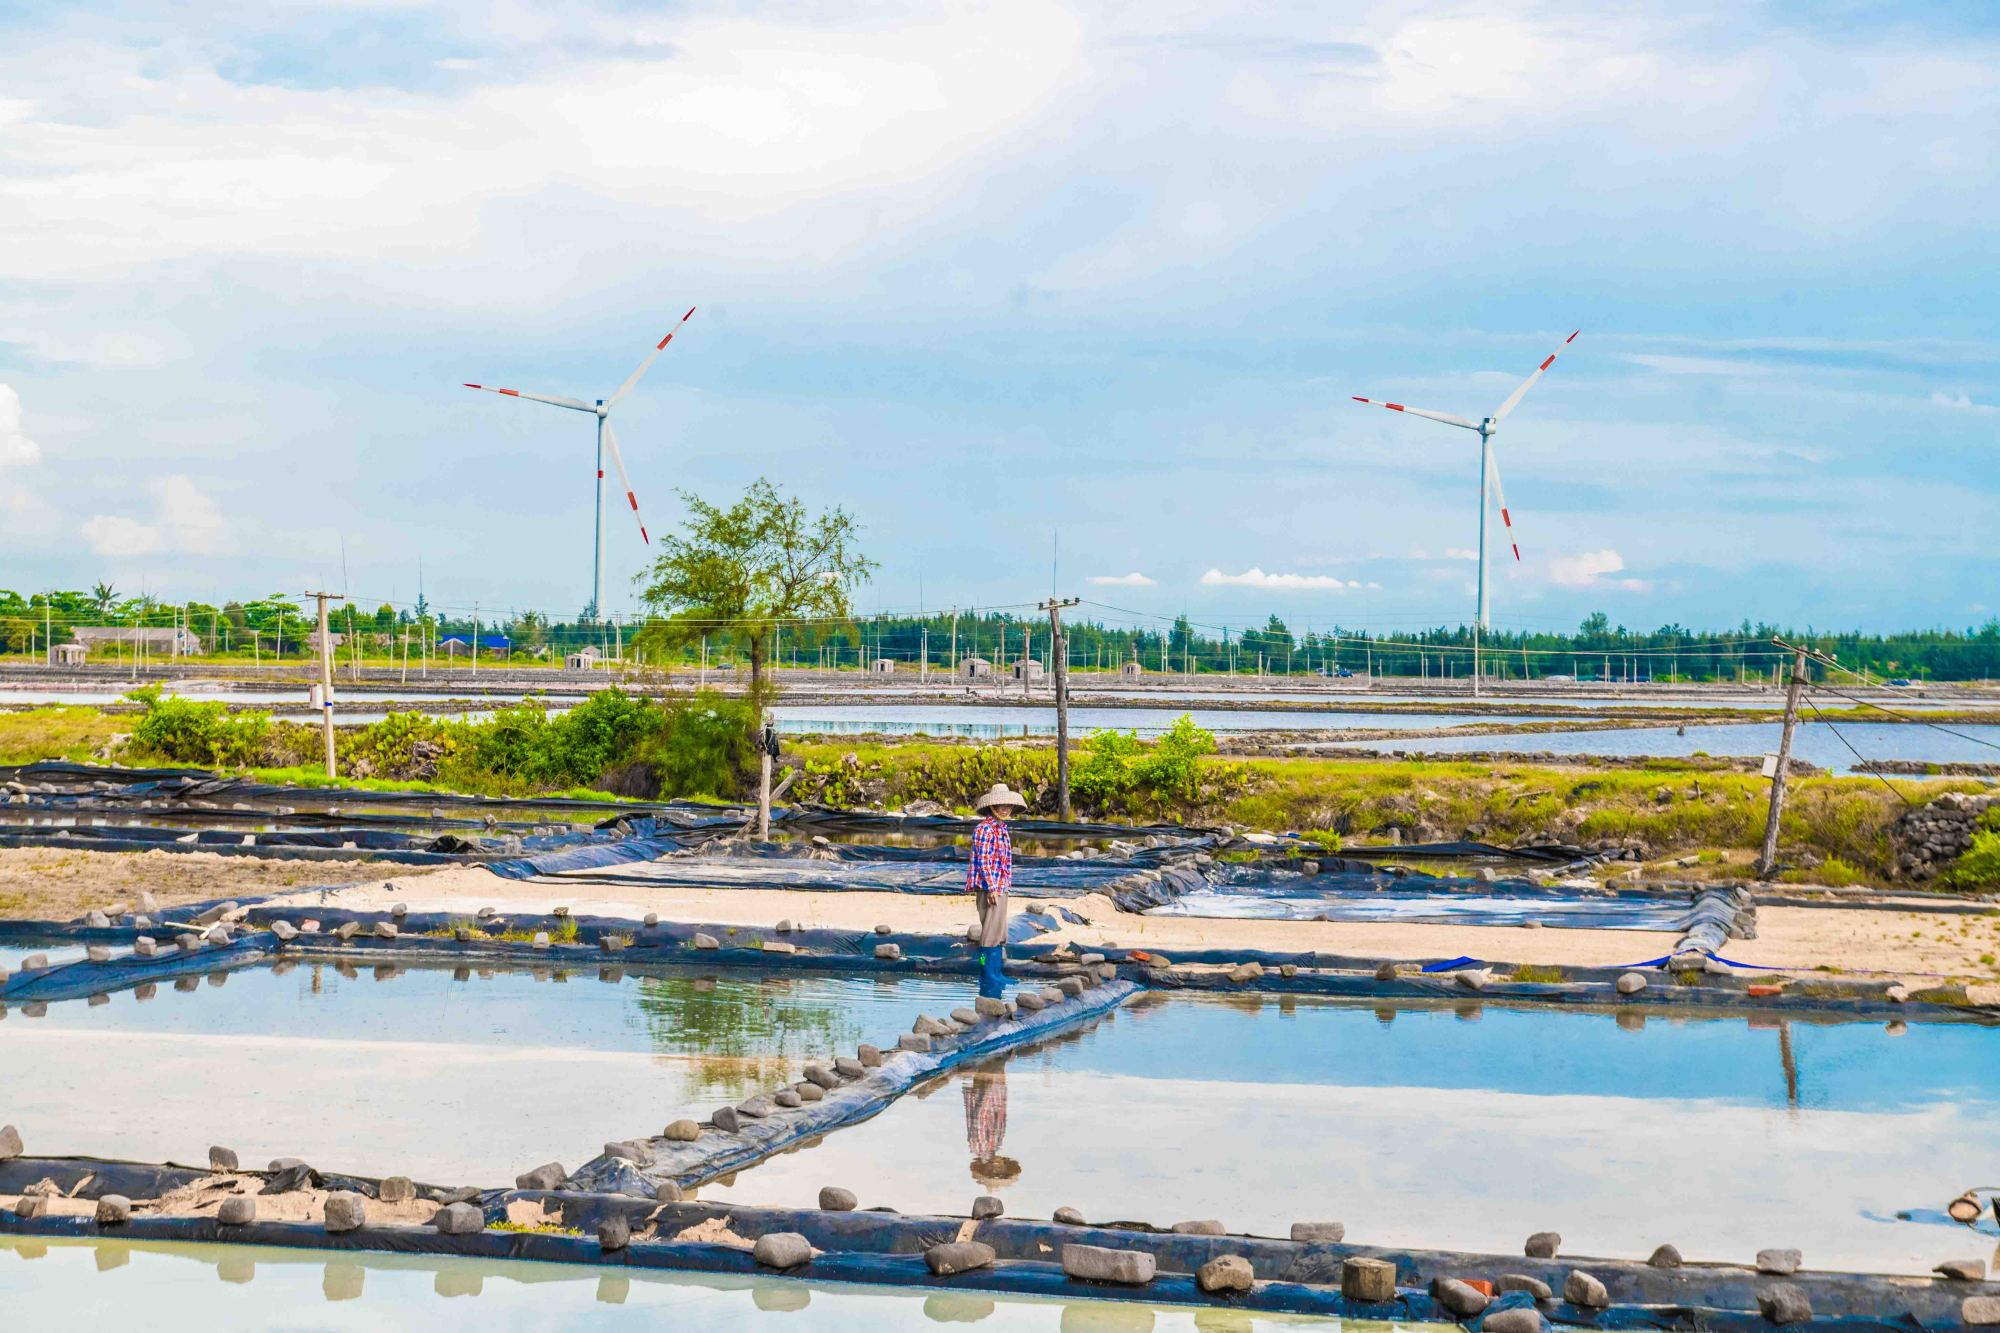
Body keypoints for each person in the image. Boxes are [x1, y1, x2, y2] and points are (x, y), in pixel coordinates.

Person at [967, 782, 1025, 999]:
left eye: (1008, 805)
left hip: (1001, 886)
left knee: (999, 933)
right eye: (1001, 805)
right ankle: (986, 973)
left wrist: (1002, 886)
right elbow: (984, 861)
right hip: (989, 887)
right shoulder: (983, 829)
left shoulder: (1002, 829)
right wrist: (991, 887)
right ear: (992, 806)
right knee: (989, 936)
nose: (1005, 809)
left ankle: (996, 973)